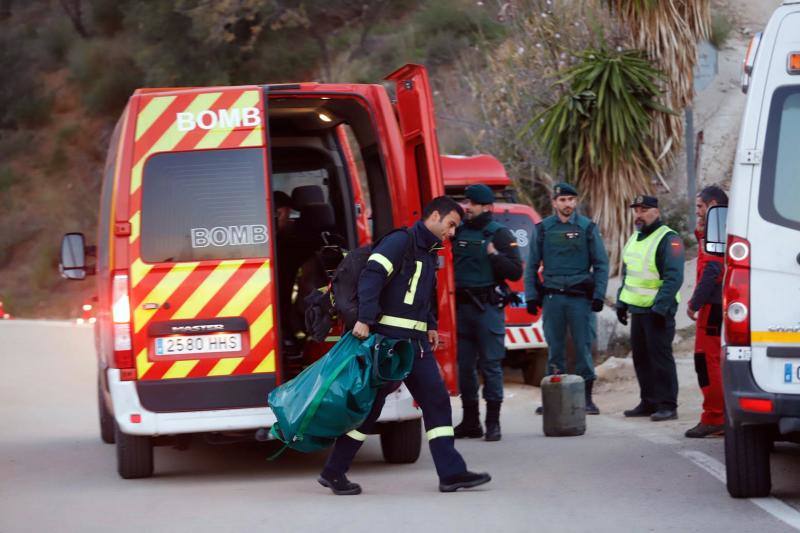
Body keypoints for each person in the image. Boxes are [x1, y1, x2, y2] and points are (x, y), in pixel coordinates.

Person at [318, 196, 491, 495]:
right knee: (369, 409)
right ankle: (334, 471)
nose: (452, 233)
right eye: (450, 225)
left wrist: (431, 325)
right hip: (389, 344)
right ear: (434, 216)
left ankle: (451, 473)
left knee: (436, 401)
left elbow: (423, 294)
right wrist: (365, 319)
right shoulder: (400, 241)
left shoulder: (428, 251)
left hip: (416, 344)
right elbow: (372, 275)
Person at [524, 182, 609, 414]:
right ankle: (553, 399)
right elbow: (531, 265)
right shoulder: (543, 229)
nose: (567, 204)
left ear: (576, 202)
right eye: (562, 200)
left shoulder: (587, 228)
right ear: (554, 203)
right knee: (555, 348)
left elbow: (601, 264)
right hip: (552, 299)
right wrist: (531, 296)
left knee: (583, 348)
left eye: (571, 200)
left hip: (580, 299)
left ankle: (587, 400)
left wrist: (599, 295)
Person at [452, 184, 523, 442]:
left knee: (491, 366)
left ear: (487, 207)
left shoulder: (499, 234)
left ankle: (493, 422)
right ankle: (470, 421)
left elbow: (516, 272)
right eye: (466, 202)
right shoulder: (457, 231)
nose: (467, 207)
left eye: (472, 203)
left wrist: (494, 256)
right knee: (464, 367)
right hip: (461, 310)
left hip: (487, 309)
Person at [617, 195, 684, 422]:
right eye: (636, 210)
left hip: (658, 311)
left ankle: (667, 405)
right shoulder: (635, 238)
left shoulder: (668, 238)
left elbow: (673, 277)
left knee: (660, 359)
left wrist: (661, 307)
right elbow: (629, 273)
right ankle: (649, 401)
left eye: (644, 209)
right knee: (642, 359)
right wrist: (621, 301)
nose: (639, 214)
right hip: (638, 309)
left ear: (656, 211)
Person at [685, 185, 728, 438]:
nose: (697, 211)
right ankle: (719, 415)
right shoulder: (721, 227)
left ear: (712, 205)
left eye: (700, 206)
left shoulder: (717, 228)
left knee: (707, 362)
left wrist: (694, 303)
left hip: (711, 307)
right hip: (717, 305)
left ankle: (714, 417)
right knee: (714, 363)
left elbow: (712, 270)